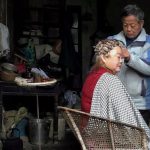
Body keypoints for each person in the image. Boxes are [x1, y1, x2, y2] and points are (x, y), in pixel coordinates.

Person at [81, 39, 150, 146]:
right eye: (118, 57)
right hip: (104, 139)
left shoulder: (92, 76)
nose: (121, 61)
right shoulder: (110, 80)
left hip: (91, 136)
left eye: (122, 57)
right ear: (104, 58)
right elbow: (127, 118)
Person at [108, 4, 150, 125]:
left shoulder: (148, 43)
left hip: (140, 103)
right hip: (117, 100)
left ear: (141, 23)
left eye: (132, 25)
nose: (129, 29)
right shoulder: (112, 40)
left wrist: (129, 57)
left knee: (140, 139)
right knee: (119, 138)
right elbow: (100, 63)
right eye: (125, 25)